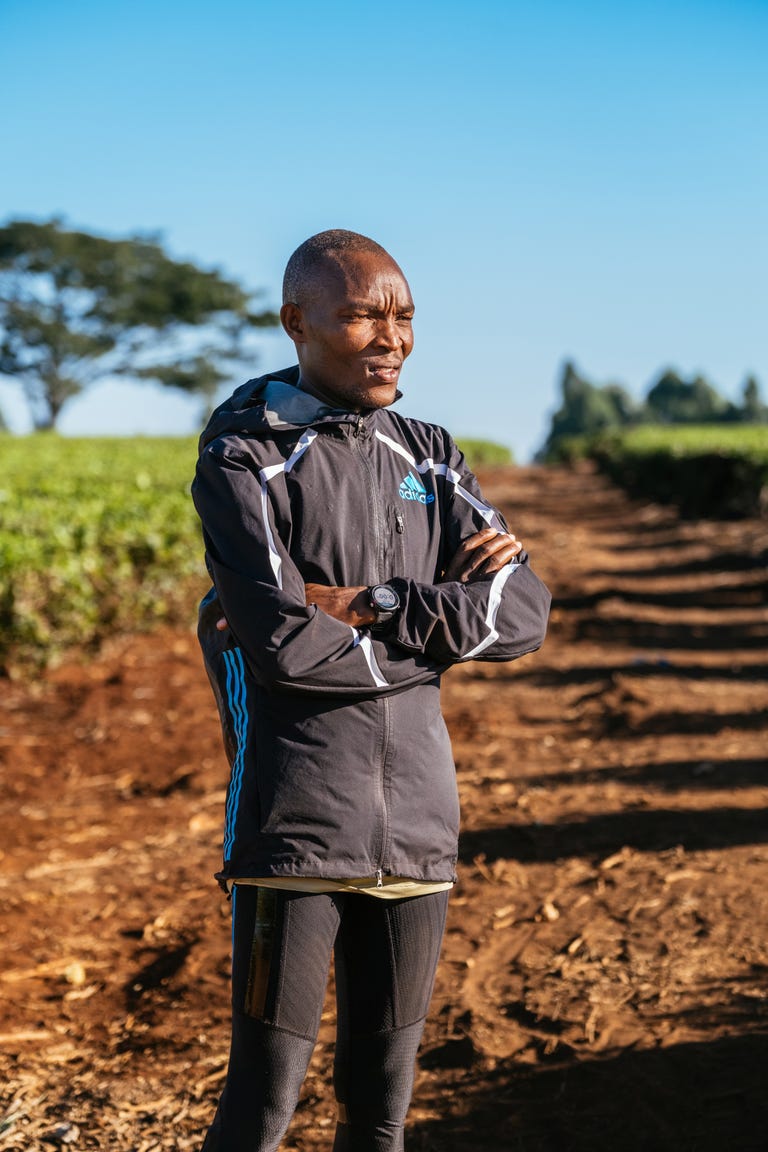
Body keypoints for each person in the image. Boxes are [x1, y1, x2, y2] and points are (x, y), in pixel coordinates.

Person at [191, 230, 551, 1151]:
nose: (391, 336)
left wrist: (377, 604)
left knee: (381, 1110)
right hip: (296, 825)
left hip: (420, 829)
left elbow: (520, 613)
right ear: (297, 323)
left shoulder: (430, 455)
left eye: (404, 315)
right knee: (262, 1106)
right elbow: (278, 645)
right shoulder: (244, 456)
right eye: (363, 315)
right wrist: (435, 638)